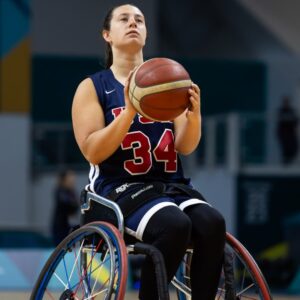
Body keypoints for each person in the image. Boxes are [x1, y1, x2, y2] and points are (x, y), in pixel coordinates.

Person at [72, 4, 225, 300]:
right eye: (124, 19)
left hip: (171, 186)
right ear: (107, 34)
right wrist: (129, 110)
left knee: (213, 223)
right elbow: (92, 151)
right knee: (174, 224)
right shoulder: (93, 87)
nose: (133, 23)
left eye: (139, 20)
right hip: (119, 188)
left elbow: (185, 145)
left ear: (146, 33)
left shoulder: (169, 81)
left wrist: (194, 116)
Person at [51, 169, 79, 245]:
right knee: (60, 246)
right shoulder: (60, 191)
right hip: (60, 226)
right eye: (70, 177)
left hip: (67, 225)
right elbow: (67, 205)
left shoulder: (71, 192)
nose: (73, 179)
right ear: (65, 179)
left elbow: (75, 207)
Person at [276, 96, 298, 164]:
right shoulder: (281, 111)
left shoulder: (291, 110)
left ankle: (289, 161)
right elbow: (280, 121)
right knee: (286, 149)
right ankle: (285, 162)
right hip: (284, 134)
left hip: (291, 134)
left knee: (294, 148)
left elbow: (296, 121)